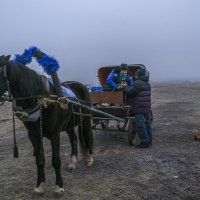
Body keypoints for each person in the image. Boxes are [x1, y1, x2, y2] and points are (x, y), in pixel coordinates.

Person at [124, 68, 152, 148]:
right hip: (146, 108)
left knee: (140, 125)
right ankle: (149, 140)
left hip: (139, 108)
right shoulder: (147, 83)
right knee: (147, 124)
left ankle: (144, 142)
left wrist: (125, 86)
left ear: (138, 75)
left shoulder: (137, 83)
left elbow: (130, 93)